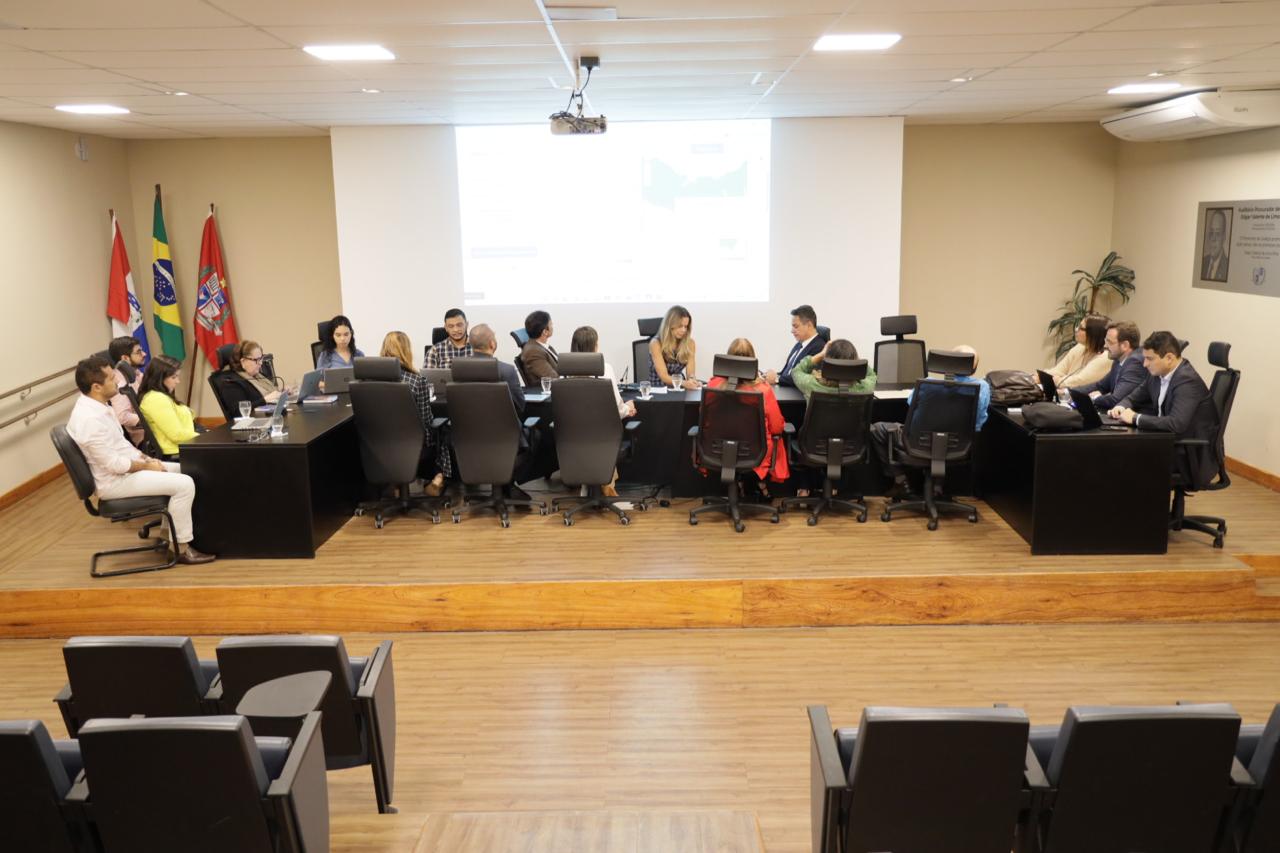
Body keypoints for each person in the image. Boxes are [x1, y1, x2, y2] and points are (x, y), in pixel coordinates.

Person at [65, 356, 213, 564]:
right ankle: (181, 548)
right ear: (96, 387)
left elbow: (121, 447)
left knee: (188, 470)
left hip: (123, 472)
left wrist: (147, 459)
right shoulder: (89, 420)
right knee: (184, 484)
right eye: (111, 378)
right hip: (113, 482)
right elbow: (115, 465)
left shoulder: (99, 407)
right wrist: (147, 467)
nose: (118, 381)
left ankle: (167, 536)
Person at [870, 344, 991, 497]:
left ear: (947, 362)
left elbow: (911, 403)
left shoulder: (927, 384)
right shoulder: (982, 387)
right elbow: (978, 423)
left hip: (918, 443)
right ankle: (937, 488)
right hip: (959, 447)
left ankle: (901, 481)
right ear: (973, 368)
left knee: (877, 429)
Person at [1108, 331, 1218, 488]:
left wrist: (1135, 418)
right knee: (1116, 452)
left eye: (1149, 359)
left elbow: (1176, 424)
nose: (1145, 364)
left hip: (1188, 455)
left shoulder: (1187, 381)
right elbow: (1134, 397)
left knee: (1122, 460)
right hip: (1167, 442)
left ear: (1169, 358)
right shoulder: (1157, 374)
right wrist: (1121, 406)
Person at [707, 338, 789, 496]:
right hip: (754, 452)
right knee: (776, 438)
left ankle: (742, 485)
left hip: (717, 448)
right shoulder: (763, 390)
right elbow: (777, 427)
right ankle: (759, 484)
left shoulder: (713, 385)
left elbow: (705, 419)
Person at [468, 324, 536, 499]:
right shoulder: (506, 371)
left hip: (469, 438)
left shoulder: (459, 370)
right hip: (505, 436)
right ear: (492, 344)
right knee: (536, 435)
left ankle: (505, 486)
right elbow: (520, 405)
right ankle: (508, 483)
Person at [570, 326, 636, 498]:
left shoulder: (564, 373)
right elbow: (616, 409)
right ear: (594, 346)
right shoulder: (604, 369)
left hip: (572, 441)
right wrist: (628, 408)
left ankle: (588, 485)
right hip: (604, 439)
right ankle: (603, 488)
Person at [380, 330, 445, 495]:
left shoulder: (367, 381)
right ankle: (437, 477)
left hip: (378, 446)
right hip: (413, 446)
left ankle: (396, 484)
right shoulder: (416, 381)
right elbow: (426, 420)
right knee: (441, 432)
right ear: (406, 351)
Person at [1076, 320, 1149, 411]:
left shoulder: (1135, 362)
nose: (1105, 346)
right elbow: (1100, 386)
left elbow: (1116, 400)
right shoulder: (1118, 360)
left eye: (1109, 342)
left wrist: (1095, 398)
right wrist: (1069, 392)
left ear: (1125, 345)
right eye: (1105, 341)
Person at [138, 355, 197, 457]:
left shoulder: (160, 396)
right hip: (177, 451)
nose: (178, 381)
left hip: (184, 446)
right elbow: (176, 435)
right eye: (174, 377)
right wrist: (205, 437)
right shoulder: (156, 399)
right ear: (159, 378)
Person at [790, 339, 877, 401]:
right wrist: (855, 360)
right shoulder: (864, 388)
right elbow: (871, 375)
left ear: (827, 362)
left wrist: (821, 355)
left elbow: (796, 371)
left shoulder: (812, 384)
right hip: (853, 423)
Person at [764, 304, 827, 387]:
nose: (792, 331)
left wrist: (777, 379)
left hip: (796, 393)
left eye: (796, 326)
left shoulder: (819, 348)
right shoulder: (799, 344)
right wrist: (772, 376)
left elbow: (805, 379)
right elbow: (787, 373)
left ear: (809, 325)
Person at [1045, 313, 1111, 391]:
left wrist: (1053, 380)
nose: (1076, 329)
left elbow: (1079, 381)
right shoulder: (1080, 347)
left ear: (1093, 333)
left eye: (1081, 328)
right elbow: (1060, 370)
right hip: (1065, 393)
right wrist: (1041, 376)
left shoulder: (1106, 357)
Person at [218, 340, 282, 412]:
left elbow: (271, 392)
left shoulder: (258, 375)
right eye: (256, 360)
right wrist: (265, 400)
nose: (261, 363)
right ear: (243, 361)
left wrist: (282, 392)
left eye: (261, 358)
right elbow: (237, 411)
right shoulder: (231, 382)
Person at [107, 335, 146, 445]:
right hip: (146, 437)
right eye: (138, 352)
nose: (144, 354)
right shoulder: (119, 383)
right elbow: (123, 416)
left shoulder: (135, 372)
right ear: (125, 358)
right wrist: (150, 420)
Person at [648, 305, 698, 390]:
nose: (683, 330)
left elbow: (690, 373)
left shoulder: (690, 343)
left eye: (686, 326)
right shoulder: (656, 343)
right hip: (659, 388)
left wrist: (692, 380)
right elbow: (664, 376)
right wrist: (684, 383)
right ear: (670, 325)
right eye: (680, 326)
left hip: (679, 387)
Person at [520, 310, 558, 382]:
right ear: (545, 332)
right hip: (555, 387)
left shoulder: (542, 346)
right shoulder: (533, 352)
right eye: (551, 324)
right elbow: (553, 378)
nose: (552, 326)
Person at [1201, 208, 1230, 282]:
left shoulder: (1228, 266)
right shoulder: (1203, 262)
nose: (1213, 239)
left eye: (1217, 233)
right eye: (1211, 232)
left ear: (1224, 237)